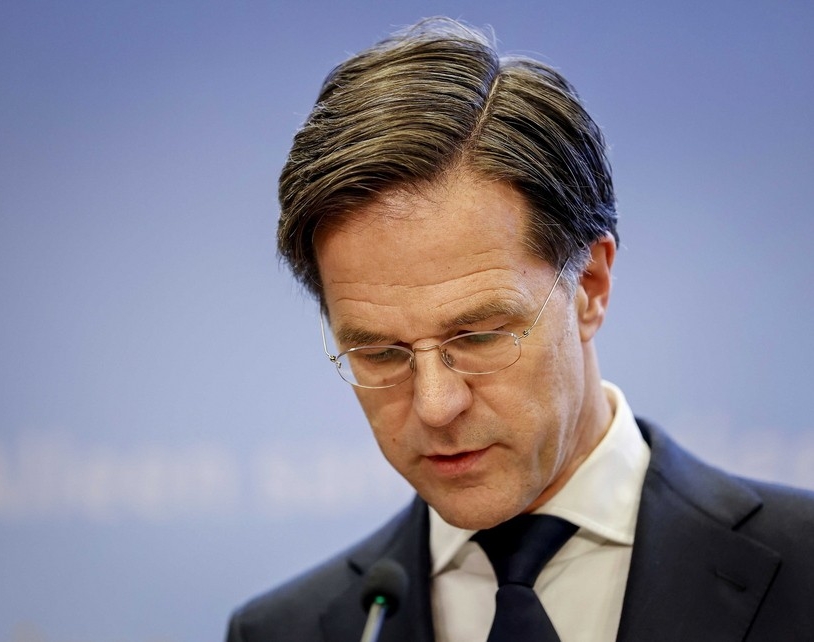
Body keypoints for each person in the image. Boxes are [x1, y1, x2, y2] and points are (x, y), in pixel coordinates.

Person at [226, 17, 814, 642]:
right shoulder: (283, 632)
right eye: (380, 353)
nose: (436, 406)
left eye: (477, 337)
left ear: (590, 285)